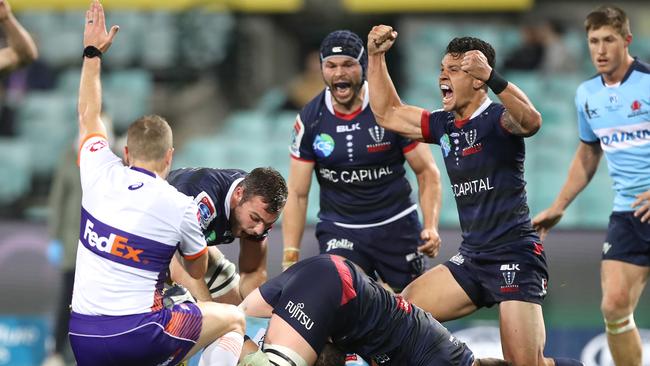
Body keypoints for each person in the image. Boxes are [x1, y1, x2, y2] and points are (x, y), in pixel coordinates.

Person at [366, 25, 583, 366]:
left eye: (454, 70)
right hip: (473, 258)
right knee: (403, 314)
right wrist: (377, 56)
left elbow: (532, 122)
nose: (443, 77)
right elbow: (387, 113)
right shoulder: (445, 124)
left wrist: (496, 77)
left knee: (526, 364)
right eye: (441, 69)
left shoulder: (498, 119)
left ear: (478, 79)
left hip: (514, 254)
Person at [68, 2, 244, 365]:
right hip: (137, 334)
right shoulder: (181, 205)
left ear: (127, 151)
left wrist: (92, 54)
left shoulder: (98, 169)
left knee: (170, 326)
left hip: (81, 337)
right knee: (232, 319)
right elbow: (196, 271)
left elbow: (88, 116)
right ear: (170, 157)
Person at [532, 6, 650, 366]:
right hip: (628, 214)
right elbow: (587, 154)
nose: (600, 50)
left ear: (626, 40)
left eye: (608, 40)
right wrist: (559, 206)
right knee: (614, 307)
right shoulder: (587, 95)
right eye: (593, 41)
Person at [282, 30, 442, 293]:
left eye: (348, 64)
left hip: (396, 224)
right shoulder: (310, 119)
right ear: (321, 69)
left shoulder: (390, 110)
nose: (339, 73)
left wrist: (431, 227)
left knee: (412, 312)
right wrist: (290, 255)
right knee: (344, 295)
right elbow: (298, 194)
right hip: (341, 228)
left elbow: (427, 172)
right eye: (331, 66)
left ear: (364, 66)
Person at [237, 254, 509, 366]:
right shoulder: (449, 361)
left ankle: (219, 325)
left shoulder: (448, 351)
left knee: (240, 314)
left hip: (332, 275)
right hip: (338, 288)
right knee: (235, 328)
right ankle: (224, 328)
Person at [167, 167, 288, 305]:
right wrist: (213, 315)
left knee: (237, 313)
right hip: (150, 239)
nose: (259, 231)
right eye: (254, 218)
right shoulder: (201, 200)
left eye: (267, 224)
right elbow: (178, 266)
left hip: (188, 244)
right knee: (213, 317)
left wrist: (252, 316)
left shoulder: (253, 200)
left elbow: (252, 271)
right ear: (238, 194)